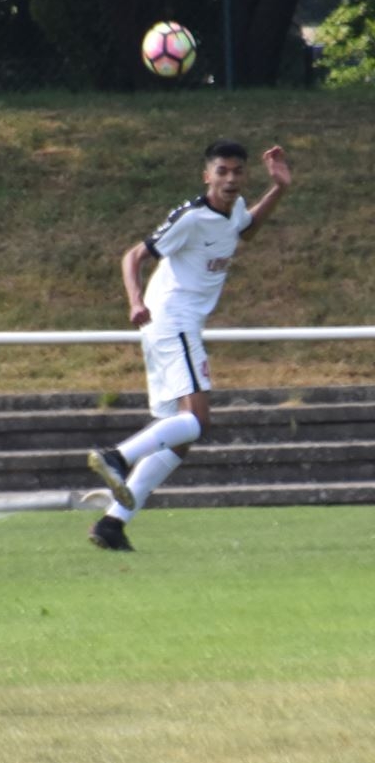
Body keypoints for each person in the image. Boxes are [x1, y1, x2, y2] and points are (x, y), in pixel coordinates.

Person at [87, 140, 292, 551]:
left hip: (178, 326)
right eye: (222, 171)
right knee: (197, 420)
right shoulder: (191, 217)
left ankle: (112, 524)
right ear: (207, 176)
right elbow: (133, 256)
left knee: (178, 440)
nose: (230, 179)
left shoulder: (234, 208)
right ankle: (116, 457)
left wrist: (280, 188)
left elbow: (246, 230)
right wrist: (135, 300)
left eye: (237, 171)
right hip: (172, 321)